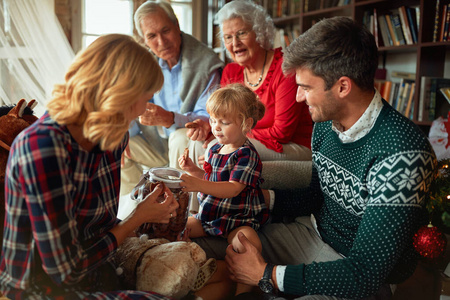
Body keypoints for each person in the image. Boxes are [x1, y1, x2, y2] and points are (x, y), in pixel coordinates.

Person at [194, 16, 438, 299]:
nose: (298, 97)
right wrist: (259, 199)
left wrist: (265, 274)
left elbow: (365, 274)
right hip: (308, 233)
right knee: (202, 243)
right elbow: (317, 193)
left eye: (306, 88)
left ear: (342, 87)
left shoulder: (402, 153)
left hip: (351, 271)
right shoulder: (325, 124)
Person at [0, 34, 182, 299]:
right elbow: (65, 272)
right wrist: (137, 218)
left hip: (98, 270)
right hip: (39, 289)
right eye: (146, 98)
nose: (146, 109)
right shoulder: (43, 147)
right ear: (121, 96)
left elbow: (100, 225)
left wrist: (150, 220)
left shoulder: (114, 135)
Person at [188, 0, 313, 165]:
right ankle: (197, 192)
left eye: (241, 33)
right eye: (228, 37)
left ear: (260, 33)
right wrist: (208, 128)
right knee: (197, 144)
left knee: (219, 149)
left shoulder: (284, 68)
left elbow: (282, 133)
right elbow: (223, 117)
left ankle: (224, 191)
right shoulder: (231, 72)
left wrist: (232, 134)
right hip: (251, 139)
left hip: (292, 145)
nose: (235, 43)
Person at [121, 0, 224, 197]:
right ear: (144, 40)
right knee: (119, 145)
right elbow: (129, 107)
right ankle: (135, 211)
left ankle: (176, 209)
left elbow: (208, 116)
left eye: (165, 30)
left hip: (190, 147)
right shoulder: (144, 65)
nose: (161, 41)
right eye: (152, 36)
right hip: (158, 146)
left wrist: (171, 118)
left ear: (177, 26)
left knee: (177, 137)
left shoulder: (206, 63)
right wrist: (123, 130)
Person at [178, 83, 269, 296]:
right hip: (210, 216)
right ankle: (195, 265)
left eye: (224, 122)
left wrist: (197, 184)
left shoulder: (246, 154)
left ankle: (245, 291)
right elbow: (210, 179)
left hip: (238, 219)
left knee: (248, 242)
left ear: (246, 124)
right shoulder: (215, 148)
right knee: (180, 227)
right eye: (212, 120)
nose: (216, 127)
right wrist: (192, 170)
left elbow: (232, 189)